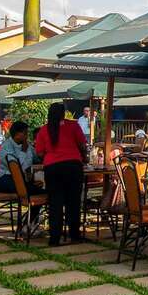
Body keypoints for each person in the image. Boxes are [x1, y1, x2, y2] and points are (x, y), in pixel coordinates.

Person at [34, 102, 88, 245]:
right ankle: (75, 235)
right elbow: (83, 145)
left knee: (55, 203)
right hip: (73, 166)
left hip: (52, 168)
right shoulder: (73, 126)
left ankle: (54, 238)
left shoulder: (44, 130)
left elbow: (39, 152)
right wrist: (84, 157)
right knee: (73, 202)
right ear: (64, 113)